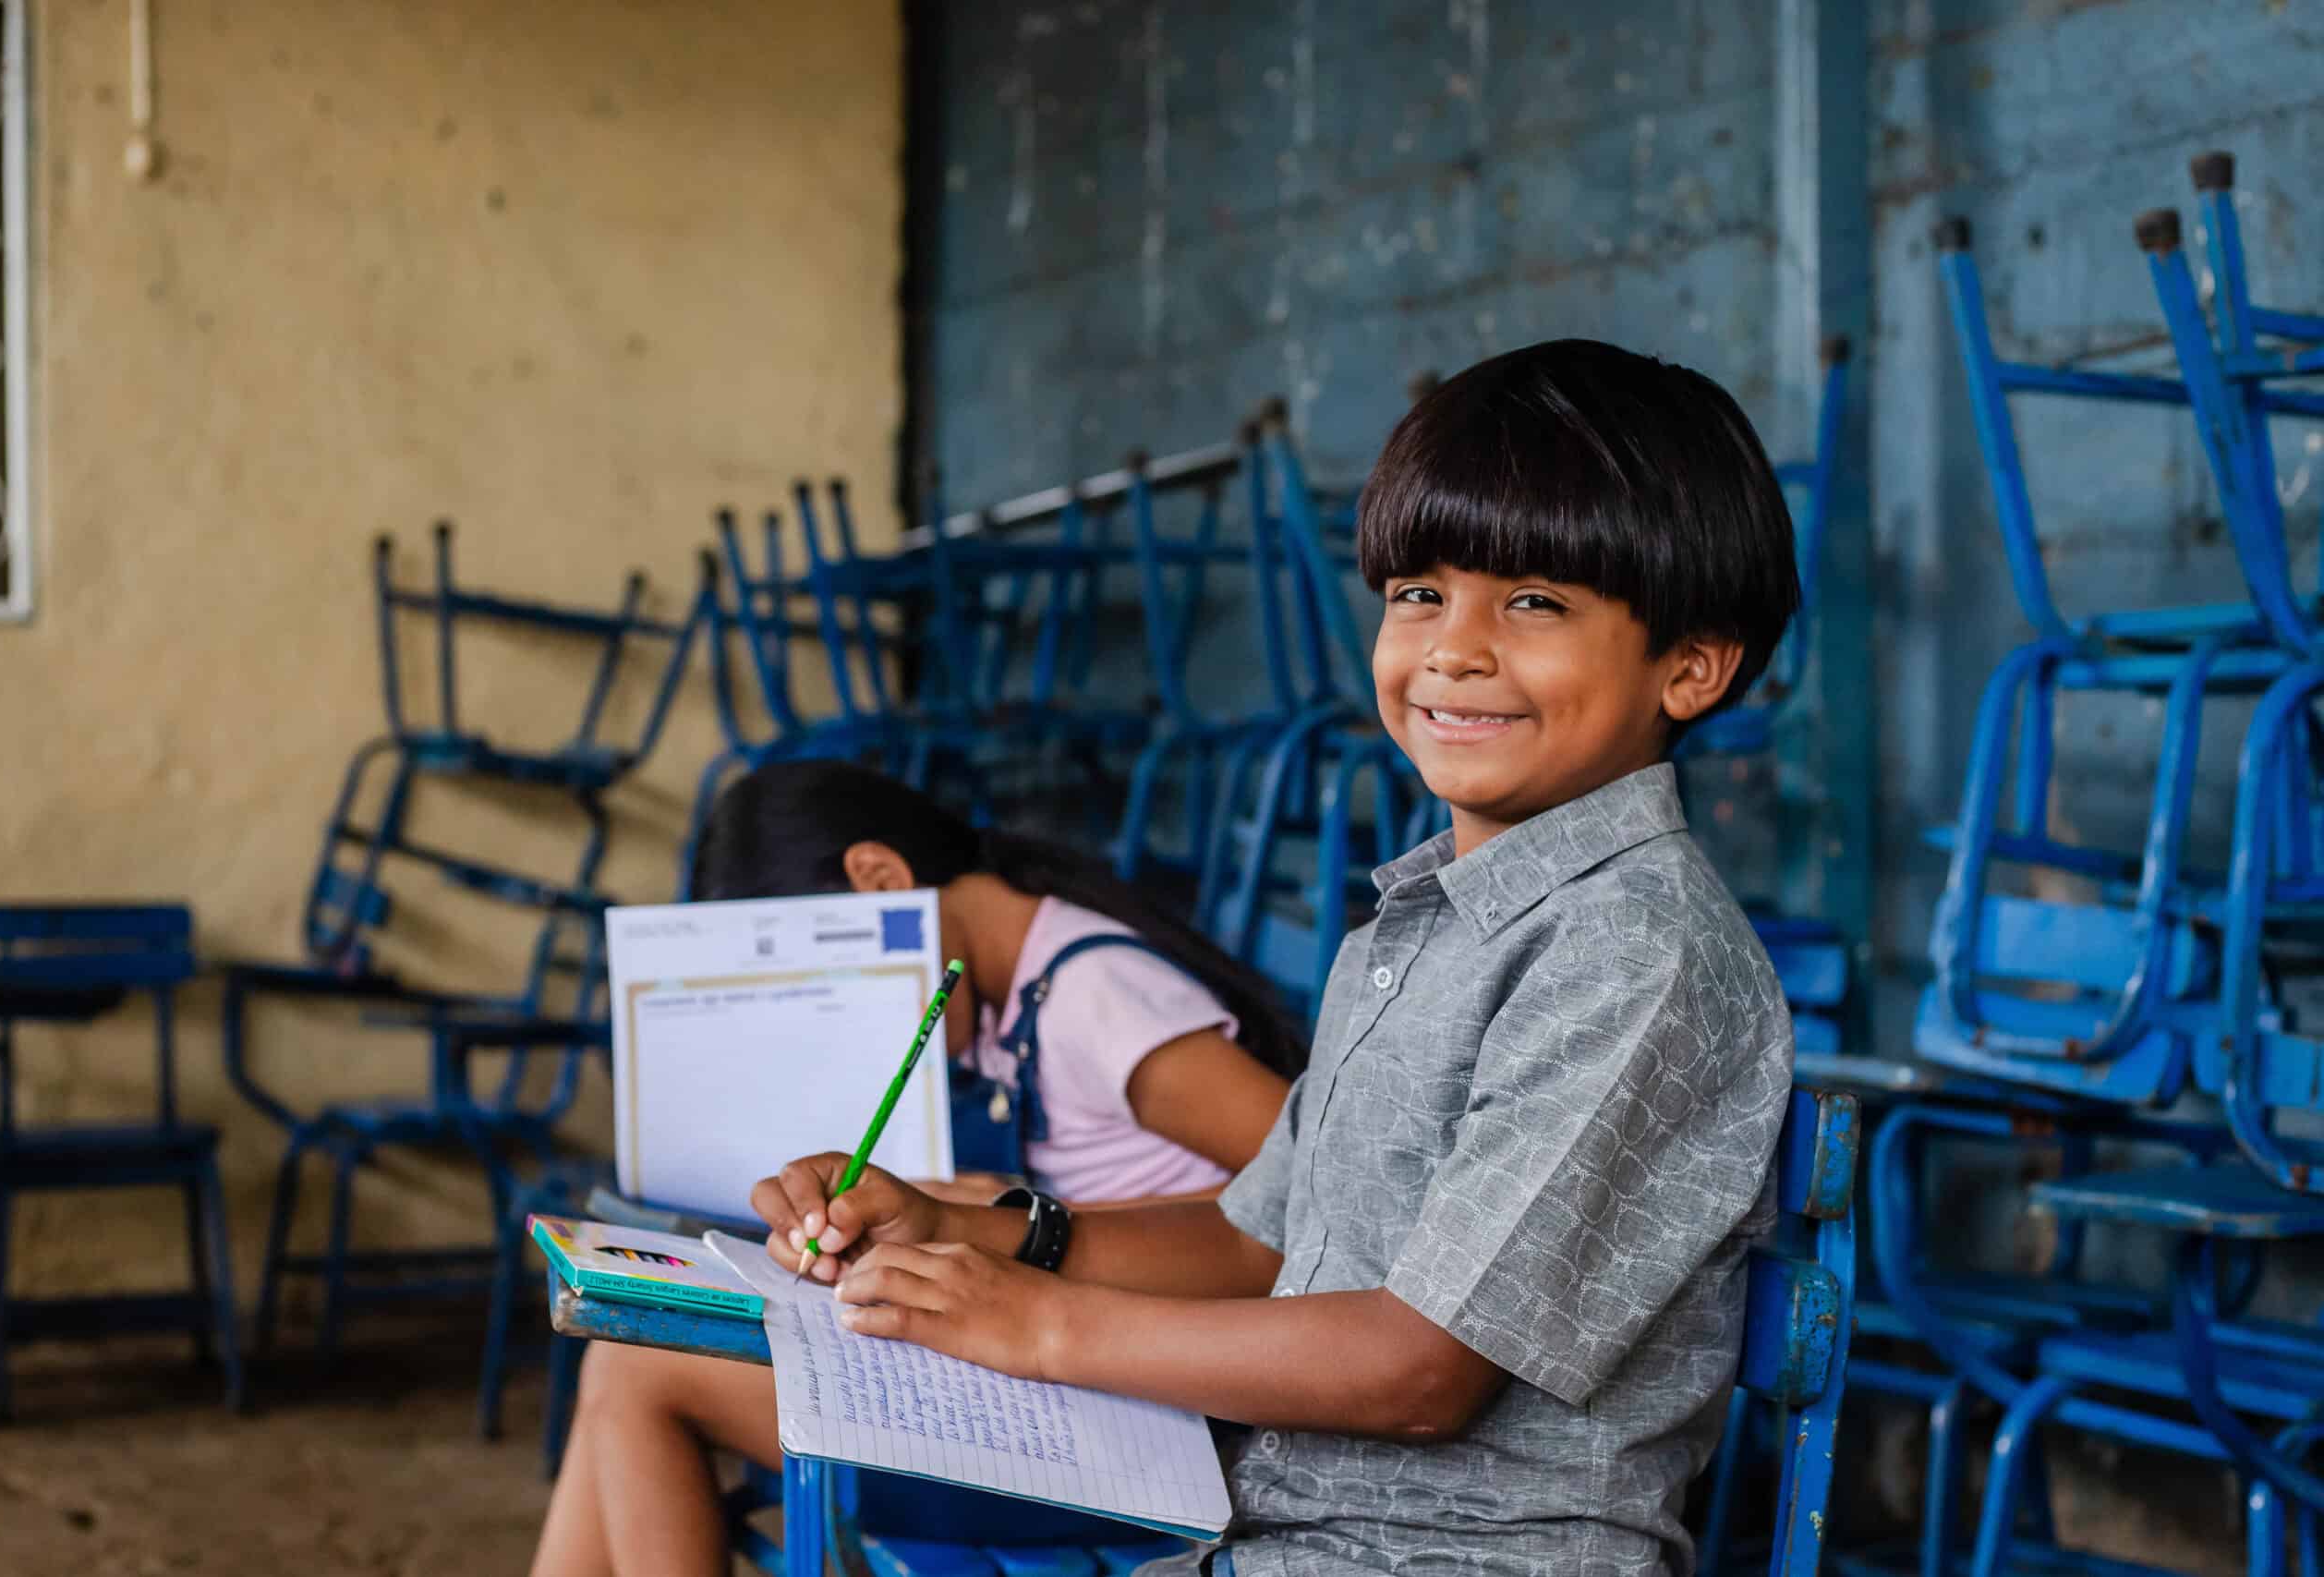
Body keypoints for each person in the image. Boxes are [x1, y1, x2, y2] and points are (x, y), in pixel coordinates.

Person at [751, 340, 1803, 1576]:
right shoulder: (1416, 923)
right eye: (1419, 592)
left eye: (1535, 601)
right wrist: (975, 1232)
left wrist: (1033, 1323)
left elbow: (1422, 1368)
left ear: (1691, 662)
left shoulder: (1638, 946)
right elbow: (1262, 1238)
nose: (1453, 648)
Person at [531, 759, 1304, 1577]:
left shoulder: (1095, 995)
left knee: (639, 1375)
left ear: (879, 879)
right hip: (1072, 1373)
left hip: (1156, 1427)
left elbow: (1316, 1208)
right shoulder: (1021, 991)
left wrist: (1018, 1215)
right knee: (622, 1357)